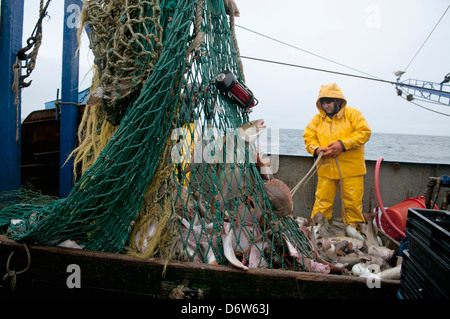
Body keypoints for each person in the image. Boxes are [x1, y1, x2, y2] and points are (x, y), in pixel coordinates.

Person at [303, 83, 371, 227]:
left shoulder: (353, 114)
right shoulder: (316, 120)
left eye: (329, 102)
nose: (326, 105)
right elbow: (309, 138)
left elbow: (364, 132)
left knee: (352, 204)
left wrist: (343, 144)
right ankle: (318, 232)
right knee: (322, 203)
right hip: (326, 169)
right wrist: (316, 150)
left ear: (337, 101)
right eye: (323, 102)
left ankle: (355, 235)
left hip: (352, 170)